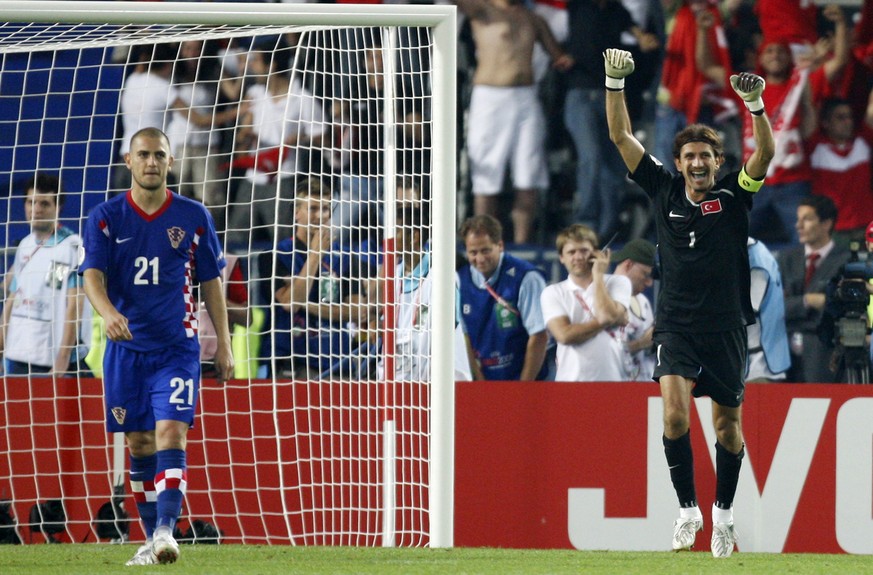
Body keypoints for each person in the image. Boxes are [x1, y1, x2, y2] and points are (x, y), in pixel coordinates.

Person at [604, 48, 775, 557]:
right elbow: (620, 136)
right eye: (689, 156)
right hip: (675, 324)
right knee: (674, 417)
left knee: (728, 427)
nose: (698, 162)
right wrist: (615, 83)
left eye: (706, 156)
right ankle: (687, 513)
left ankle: (722, 518)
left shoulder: (736, 195)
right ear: (678, 164)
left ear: (717, 162)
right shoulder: (663, 190)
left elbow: (763, 156)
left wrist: (756, 106)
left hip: (724, 328)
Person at [80, 127, 233, 566]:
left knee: (171, 432)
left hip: (176, 348)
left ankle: (167, 528)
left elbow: (210, 282)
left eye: (159, 156)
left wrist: (222, 343)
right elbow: (92, 275)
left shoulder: (193, 215)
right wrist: (108, 313)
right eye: (143, 155)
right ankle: (153, 539)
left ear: (170, 162)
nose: (151, 162)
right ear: (128, 161)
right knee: (140, 444)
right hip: (127, 352)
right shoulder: (106, 217)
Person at [455, 0, 573, 244]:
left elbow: (559, 56)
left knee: (528, 176)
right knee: (486, 176)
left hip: (526, 98)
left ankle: (522, 245)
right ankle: (482, 242)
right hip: (490, 97)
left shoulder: (533, 19)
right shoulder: (482, 10)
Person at [563, 0, 660, 239]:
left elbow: (635, 30)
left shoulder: (618, 10)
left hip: (610, 93)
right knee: (591, 157)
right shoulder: (579, 6)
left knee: (614, 165)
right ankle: (585, 224)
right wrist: (558, 53)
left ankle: (608, 230)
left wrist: (643, 38)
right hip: (581, 93)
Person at [262, 177, 368, 380]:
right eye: (312, 209)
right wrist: (315, 255)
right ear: (296, 213)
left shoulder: (344, 257)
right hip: (293, 363)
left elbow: (357, 312)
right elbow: (289, 304)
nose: (320, 216)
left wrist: (304, 303)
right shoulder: (275, 255)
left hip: (338, 363)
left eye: (326, 209)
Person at [0, 173, 90, 376]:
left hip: (50, 359)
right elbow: (12, 300)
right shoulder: (25, 245)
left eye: (44, 204)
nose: (36, 209)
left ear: (58, 207)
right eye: (31, 202)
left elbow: (75, 304)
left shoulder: (71, 246)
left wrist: (63, 358)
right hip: (16, 355)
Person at [457, 214, 548, 380]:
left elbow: (539, 336)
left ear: (500, 245)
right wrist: (480, 385)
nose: (480, 259)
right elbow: (464, 339)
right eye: (473, 253)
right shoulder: (459, 280)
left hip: (528, 380)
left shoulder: (527, 278)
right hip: (484, 380)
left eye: (486, 250)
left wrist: (522, 390)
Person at [540, 224, 632, 381]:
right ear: (561, 257)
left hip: (615, 382)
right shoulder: (552, 292)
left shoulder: (619, 282)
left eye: (584, 250)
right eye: (571, 252)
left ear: (596, 253)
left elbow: (606, 314)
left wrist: (598, 276)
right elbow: (564, 335)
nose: (578, 257)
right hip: (570, 383)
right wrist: (607, 320)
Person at [777, 194, 849, 383]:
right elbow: (775, 307)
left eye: (807, 219)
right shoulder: (786, 259)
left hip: (824, 355)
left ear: (826, 224)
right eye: (798, 219)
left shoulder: (846, 260)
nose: (798, 226)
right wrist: (808, 301)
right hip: (785, 355)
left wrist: (794, 306)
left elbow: (839, 309)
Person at [808, 95, 873, 249]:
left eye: (849, 117)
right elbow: (807, 109)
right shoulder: (815, 147)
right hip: (833, 230)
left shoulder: (863, 141)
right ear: (825, 123)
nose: (848, 122)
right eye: (840, 118)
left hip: (866, 225)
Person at [611, 238, 656, 381]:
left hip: (641, 387)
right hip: (608, 387)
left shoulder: (642, 302)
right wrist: (640, 344)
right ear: (628, 264)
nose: (649, 283)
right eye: (645, 275)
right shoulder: (601, 296)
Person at [746, 237, 791, 382]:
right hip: (747, 363)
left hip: (759, 368)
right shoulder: (743, 253)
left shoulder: (757, 261)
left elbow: (745, 311)